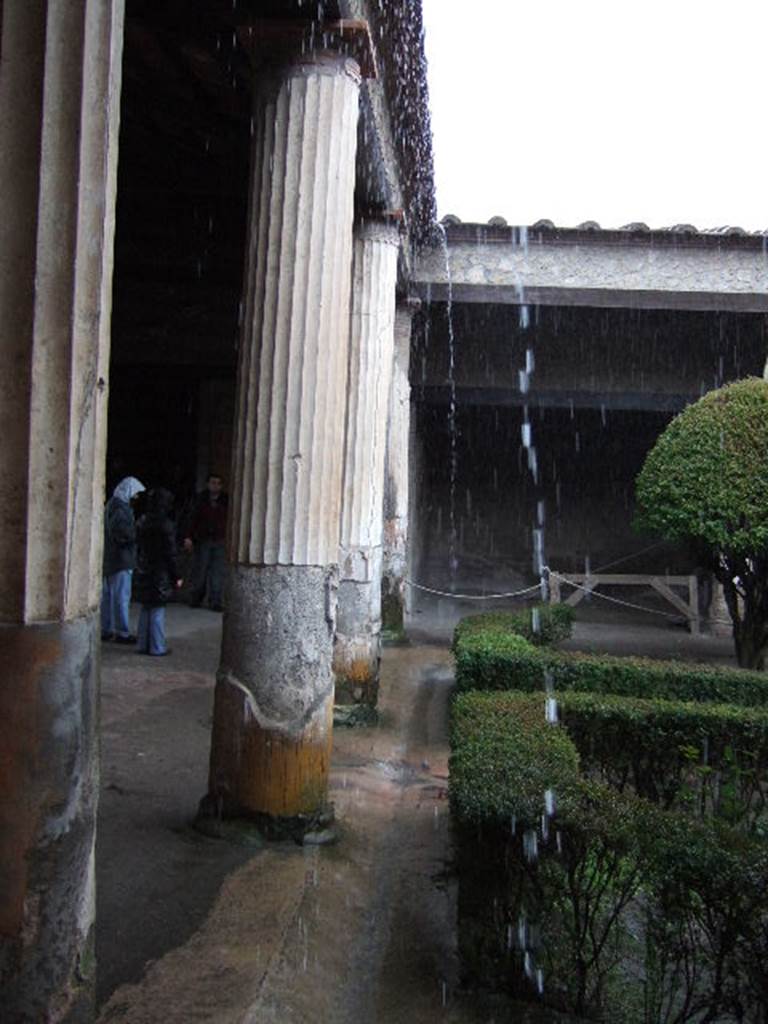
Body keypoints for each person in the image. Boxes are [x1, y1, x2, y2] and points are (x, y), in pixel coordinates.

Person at [133, 488, 183, 656]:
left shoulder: (142, 521)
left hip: (144, 567)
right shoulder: (166, 525)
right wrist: (177, 575)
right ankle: (157, 646)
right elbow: (170, 554)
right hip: (160, 571)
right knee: (157, 610)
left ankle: (142, 644)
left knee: (146, 608)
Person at [101, 476, 145, 642]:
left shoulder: (112, 505)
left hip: (111, 558)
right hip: (121, 559)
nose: (137, 497)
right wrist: (138, 530)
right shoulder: (121, 509)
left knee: (108, 597)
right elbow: (123, 534)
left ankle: (107, 628)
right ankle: (122, 632)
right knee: (121, 597)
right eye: (135, 494)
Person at [183, 473, 227, 610]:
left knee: (217, 572)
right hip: (203, 539)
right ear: (208, 484)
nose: (215, 486)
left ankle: (215, 601)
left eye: (218, 483)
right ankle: (196, 597)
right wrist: (188, 536)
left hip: (220, 539)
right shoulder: (199, 499)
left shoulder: (226, 500)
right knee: (200, 570)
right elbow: (191, 518)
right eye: (213, 483)